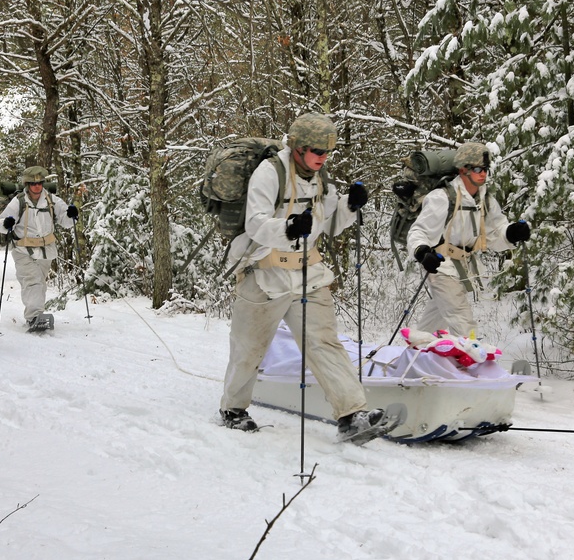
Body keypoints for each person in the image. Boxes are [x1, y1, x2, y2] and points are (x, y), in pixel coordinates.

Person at [219, 112, 384, 440]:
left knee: (324, 343)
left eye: (327, 153)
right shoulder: (270, 174)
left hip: (308, 273)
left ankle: (352, 415)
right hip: (266, 272)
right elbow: (255, 223)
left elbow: (331, 226)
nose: (323, 158)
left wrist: (351, 206)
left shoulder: (321, 180)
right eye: (318, 152)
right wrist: (288, 227)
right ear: (297, 147)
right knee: (249, 347)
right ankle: (233, 408)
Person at [406, 142, 531, 339]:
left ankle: (415, 350)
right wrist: (422, 252)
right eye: (478, 169)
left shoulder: (484, 199)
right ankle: (472, 365)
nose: (483, 174)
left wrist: (512, 233)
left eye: (486, 169)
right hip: (441, 266)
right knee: (463, 322)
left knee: (435, 319)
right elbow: (418, 231)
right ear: (463, 170)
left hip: (463, 267)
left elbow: (495, 231)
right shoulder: (442, 197)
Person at [0, 166, 77, 332]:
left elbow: (66, 221)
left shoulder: (53, 200)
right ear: (27, 184)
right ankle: (34, 317)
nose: (37, 186)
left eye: (40, 183)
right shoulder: (19, 201)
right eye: (33, 183)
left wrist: (72, 214)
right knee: (31, 282)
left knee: (39, 283)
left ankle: (36, 315)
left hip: (46, 250)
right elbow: (1, 223)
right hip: (23, 250)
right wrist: (6, 223)